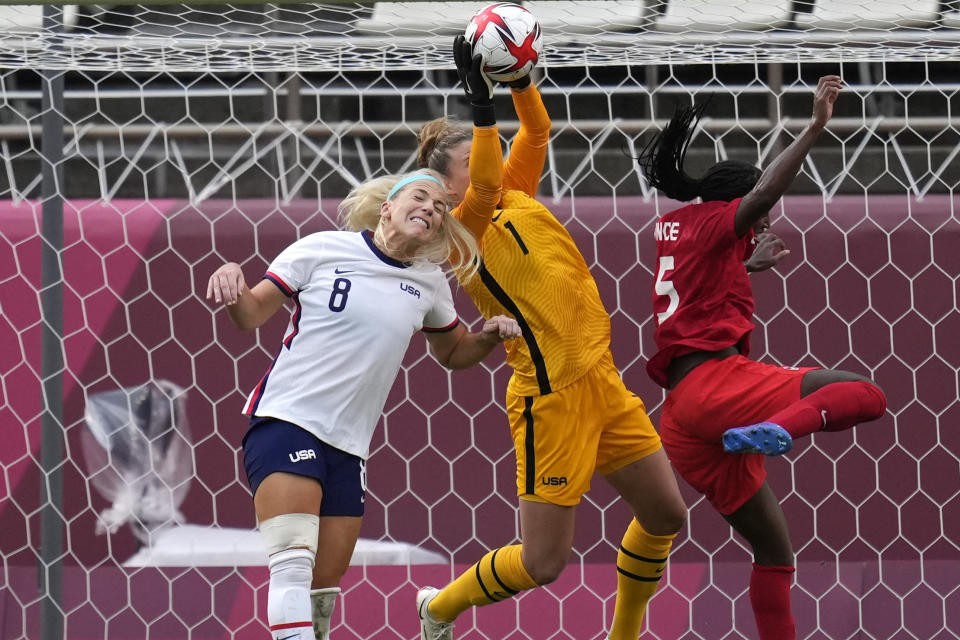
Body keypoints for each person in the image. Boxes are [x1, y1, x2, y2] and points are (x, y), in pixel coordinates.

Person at [412, 38, 687, 640]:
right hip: (549, 398)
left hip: (600, 380)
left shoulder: (515, 195)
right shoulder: (463, 232)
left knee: (666, 512)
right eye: (473, 160)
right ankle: (439, 608)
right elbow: (483, 185)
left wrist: (518, 76)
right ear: (448, 184)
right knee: (544, 563)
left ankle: (625, 635)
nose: (492, 159)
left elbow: (536, 132)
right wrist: (479, 103)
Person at [206, 169, 522, 640]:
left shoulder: (429, 283)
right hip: (286, 420)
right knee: (292, 562)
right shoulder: (322, 248)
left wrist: (488, 337)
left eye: (439, 210)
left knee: (321, 593)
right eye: (420, 198)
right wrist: (233, 280)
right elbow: (250, 314)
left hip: (349, 449)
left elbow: (454, 353)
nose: (431, 212)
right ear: (387, 206)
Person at [636, 76, 887, 640]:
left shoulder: (677, 230)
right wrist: (816, 127)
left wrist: (746, 267)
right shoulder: (719, 221)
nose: (760, 231)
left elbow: (696, 287)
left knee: (775, 552)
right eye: (756, 226)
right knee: (864, 394)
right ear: (736, 206)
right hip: (717, 388)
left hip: (683, 420)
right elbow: (762, 197)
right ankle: (776, 428)